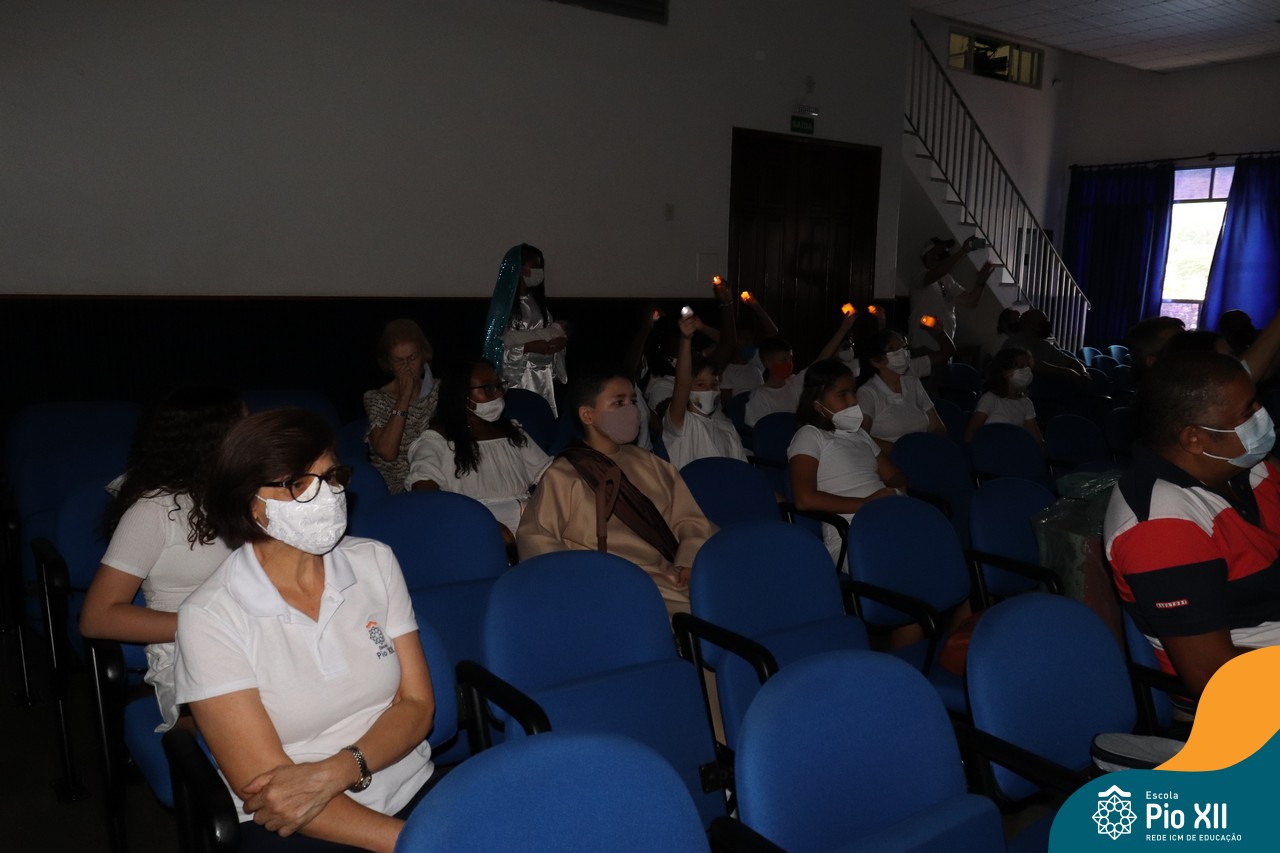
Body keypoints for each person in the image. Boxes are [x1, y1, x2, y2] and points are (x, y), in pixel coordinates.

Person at [176, 409, 436, 851]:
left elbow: (416, 704)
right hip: (298, 822)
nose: (328, 495)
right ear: (250, 503)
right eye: (298, 484)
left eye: (332, 477)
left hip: (408, 785)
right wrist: (421, 844)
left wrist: (339, 770)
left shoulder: (374, 561)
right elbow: (268, 788)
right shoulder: (209, 616)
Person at [1104, 351, 1280, 702]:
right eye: (1248, 413)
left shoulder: (1244, 467)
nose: (1262, 415)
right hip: (1249, 696)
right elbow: (1212, 674)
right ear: (1195, 439)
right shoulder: (1162, 529)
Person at [79, 387, 243, 732]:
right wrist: (209, 625)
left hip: (259, 641)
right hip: (190, 652)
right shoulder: (154, 510)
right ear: (209, 442)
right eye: (241, 428)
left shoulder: (248, 495)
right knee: (250, 721)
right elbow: (97, 617)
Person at [517, 367, 718, 617]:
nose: (632, 410)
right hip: (613, 585)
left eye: (633, 401)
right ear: (587, 415)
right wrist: (589, 581)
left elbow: (690, 520)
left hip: (672, 575)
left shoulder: (652, 464)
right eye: (619, 403)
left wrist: (688, 561)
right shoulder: (564, 475)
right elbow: (536, 539)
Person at [405, 358, 552, 540]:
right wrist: (481, 523)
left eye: (499, 386)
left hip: (530, 525)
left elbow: (548, 474)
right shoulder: (437, 441)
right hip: (474, 529)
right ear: (462, 395)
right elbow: (425, 495)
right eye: (488, 388)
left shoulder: (511, 431)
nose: (498, 394)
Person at [788, 359, 907, 564]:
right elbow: (804, 499)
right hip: (851, 535)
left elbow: (895, 475)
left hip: (887, 519)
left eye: (853, 392)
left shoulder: (861, 435)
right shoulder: (810, 435)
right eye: (842, 395)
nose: (853, 401)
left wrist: (896, 491)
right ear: (817, 403)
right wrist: (866, 504)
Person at [481, 244, 569, 416]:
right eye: (534, 266)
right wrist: (528, 347)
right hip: (520, 380)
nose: (539, 272)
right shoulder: (503, 308)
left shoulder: (537, 303)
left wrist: (559, 345)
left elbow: (551, 333)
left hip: (544, 379)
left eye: (540, 267)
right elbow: (497, 348)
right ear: (520, 269)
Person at [744, 309, 858, 428]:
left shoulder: (794, 383)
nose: (789, 363)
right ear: (768, 363)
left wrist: (843, 329)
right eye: (784, 360)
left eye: (790, 359)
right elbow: (758, 430)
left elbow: (821, 359)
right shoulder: (760, 395)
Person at [663, 311, 749, 470]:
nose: (709, 390)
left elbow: (742, 471)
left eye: (714, 385)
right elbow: (682, 383)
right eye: (700, 385)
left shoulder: (728, 429)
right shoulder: (681, 424)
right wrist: (686, 339)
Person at [364, 319, 439, 494]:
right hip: (395, 488)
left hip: (436, 483)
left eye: (412, 358)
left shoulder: (440, 391)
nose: (407, 367)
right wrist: (404, 397)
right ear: (389, 364)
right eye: (398, 361)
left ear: (424, 356)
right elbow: (387, 452)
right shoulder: (376, 398)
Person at [855, 328, 946, 452]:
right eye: (893, 348)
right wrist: (903, 451)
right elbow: (862, 436)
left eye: (904, 347)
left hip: (925, 452)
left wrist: (930, 446)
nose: (902, 352)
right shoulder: (868, 392)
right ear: (876, 361)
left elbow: (937, 426)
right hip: (893, 457)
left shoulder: (912, 383)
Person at [909, 236, 994, 352]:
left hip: (944, 347)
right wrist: (963, 251)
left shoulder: (947, 279)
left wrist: (980, 282)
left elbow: (970, 301)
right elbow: (937, 273)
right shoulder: (919, 275)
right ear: (928, 254)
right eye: (940, 250)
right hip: (922, 347)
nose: (944, 253)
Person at [964, 346, 1043, 445]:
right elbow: (971, 433)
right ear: (1005, 372)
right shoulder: (990, 399)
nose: (1026, 371)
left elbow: (1036, 439)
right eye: (1021, 366)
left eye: (1028, 366)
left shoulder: (1026, 403)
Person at [1000, 309, 1088, 379]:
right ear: (1029, 325)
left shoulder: (1044, 345)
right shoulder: (1014, 344)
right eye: (1042, 323)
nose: (1047, 326)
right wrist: (1068, 372)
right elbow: (1035, 365)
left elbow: (1070, 361)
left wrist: (1083, 373)